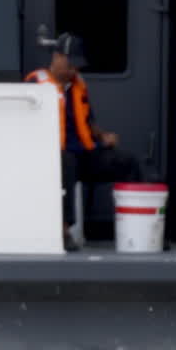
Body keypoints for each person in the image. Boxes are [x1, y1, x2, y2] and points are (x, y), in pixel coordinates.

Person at [25, 33, 144, 251]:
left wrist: (102, 136)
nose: (74, 71)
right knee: (67, 164)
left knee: (127, 162)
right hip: (54, 157)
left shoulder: (78, 84)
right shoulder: (36, 83)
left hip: (84, 153)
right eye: (70, 64)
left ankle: (140, 228)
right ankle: (63, 231)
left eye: (77, 66)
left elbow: (88, 120)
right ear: (57, 57)